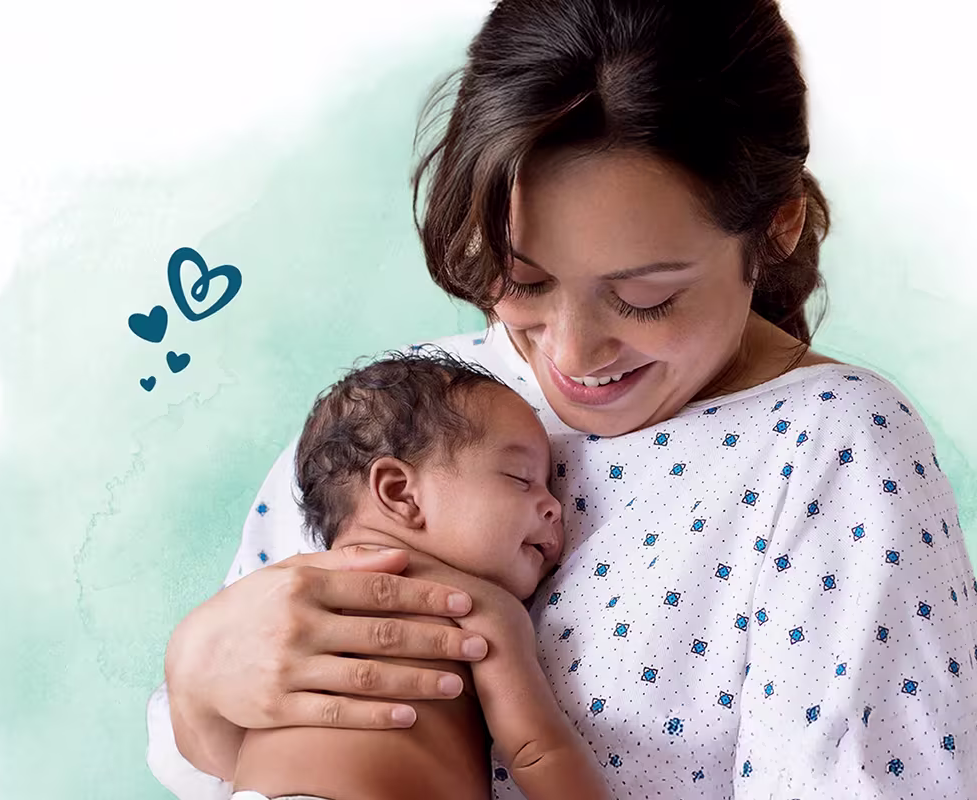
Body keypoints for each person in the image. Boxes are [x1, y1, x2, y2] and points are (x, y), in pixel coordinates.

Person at [148, 1, 977, 797]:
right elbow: (214, 762)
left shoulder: (830, 447)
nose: (573, 356)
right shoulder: (405, 407)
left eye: (646, 296)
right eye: (523, 281)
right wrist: (193, 682)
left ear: (778, 228)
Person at [231, 351, 608, 800]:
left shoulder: (285, 595)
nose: (554, 506)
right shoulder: (473, 604)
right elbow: (538, 751)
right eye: (520, 478)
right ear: (400, 493)